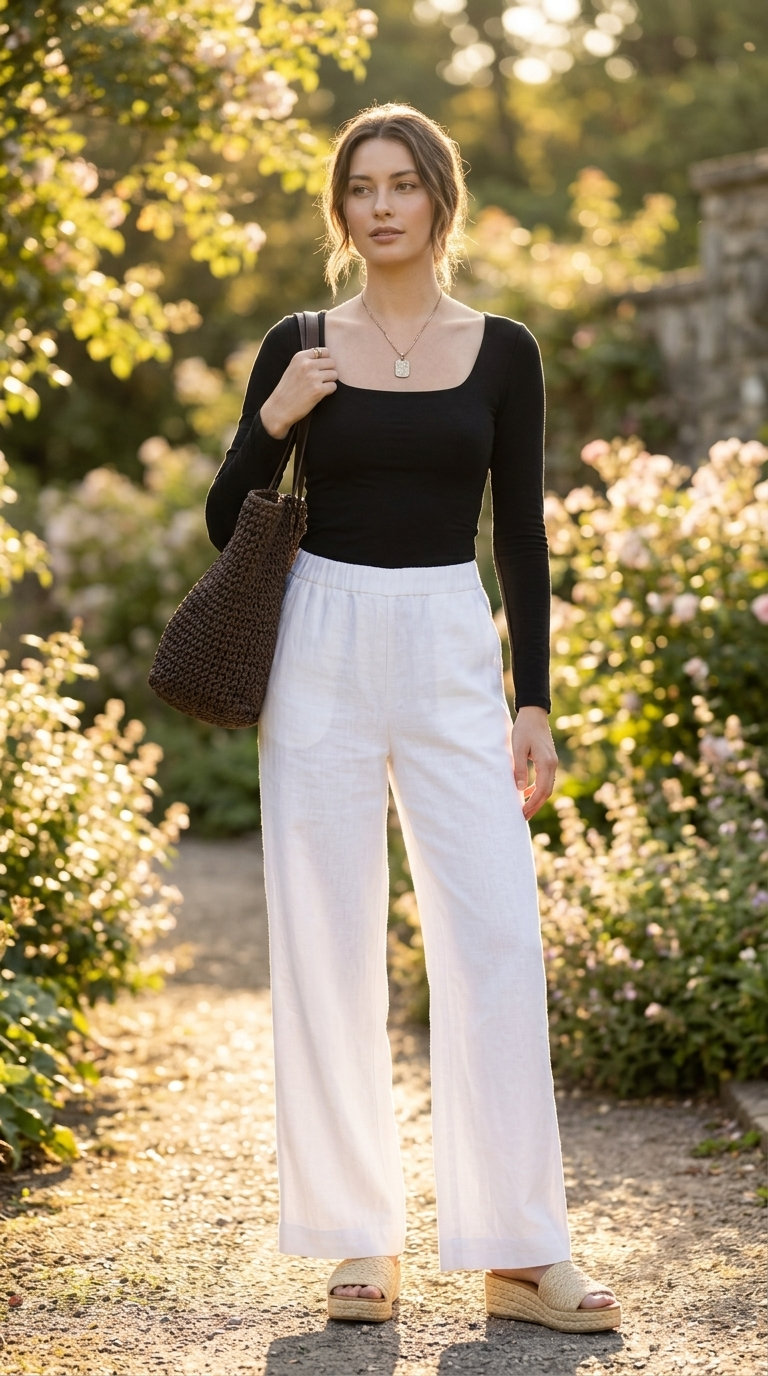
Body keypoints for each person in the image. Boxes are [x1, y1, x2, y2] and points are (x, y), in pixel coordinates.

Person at [205, 102, 620, 1333]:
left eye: (403, 184)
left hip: (448, 637)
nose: (381, 205)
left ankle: (519, 1247)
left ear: (440, 198)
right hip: (319, 640)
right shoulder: (300, 343)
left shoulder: (503, 350)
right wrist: (273, 418)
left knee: (496, 928)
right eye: (361, 187)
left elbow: (525, 535)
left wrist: (531, 695)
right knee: (325, 932)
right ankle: (356, 1237)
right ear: (342, 212)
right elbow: (232, 521)